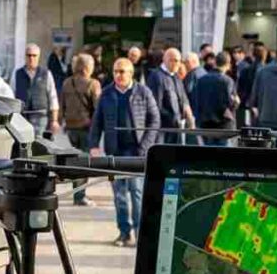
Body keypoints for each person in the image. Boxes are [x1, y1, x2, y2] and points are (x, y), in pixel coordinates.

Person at [89, 58, 159, 247]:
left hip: (136, 152)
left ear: (131, 73)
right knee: (119, 195)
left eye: (122, 71)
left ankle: (139, 233)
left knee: (136, 192)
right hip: (115, 152)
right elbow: (97, 122)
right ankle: (124, 233)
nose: (118, 75)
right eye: (116, 71)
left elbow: (154, 121)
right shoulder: (106, 94)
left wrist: (145, 146)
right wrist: (94, 145)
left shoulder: (143, 93)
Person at [60, 53, 102, 206]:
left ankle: (77, 193)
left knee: (75, 161)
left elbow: (62, 105)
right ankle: (80, 196)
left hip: (71, 128)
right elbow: (98, 108)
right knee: (84, 163)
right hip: (86, 128)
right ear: (87, 67)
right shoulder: (93, 84)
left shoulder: (66, 83)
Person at [10, 43, 60, 137]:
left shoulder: (46, 74)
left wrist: (54, 120)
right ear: (25, 56)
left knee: (38, 143)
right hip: (22, 116)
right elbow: (11, 95)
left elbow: (53, 97)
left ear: (38, 57)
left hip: (41, 116)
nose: (31, 58)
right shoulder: (17, 73)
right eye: (29, 55)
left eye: (34, 55)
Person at [146, 47, 194, 144]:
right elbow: (155, 105)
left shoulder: (175, 76)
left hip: (176, 127)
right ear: (165, 60)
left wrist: (188, 113)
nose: (177, 64)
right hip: (162, 129)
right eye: (174, 60)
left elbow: (183, 96)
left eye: (179, 61)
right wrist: (173, 118)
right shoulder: (156, 76)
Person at [194, 52, 239, 146]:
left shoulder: (201, 80)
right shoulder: (227, 81)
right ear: (228, 64)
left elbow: (196, 100)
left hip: (204, 125)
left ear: (215, 62)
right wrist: (236, 102)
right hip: (223, 127)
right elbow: (229, 104)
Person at [236, 43, 267, 127]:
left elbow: (239, 88)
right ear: (265, 56)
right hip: (263, 106)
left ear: (253, 55)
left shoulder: (245, 70)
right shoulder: (267, 72)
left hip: (246, 103)